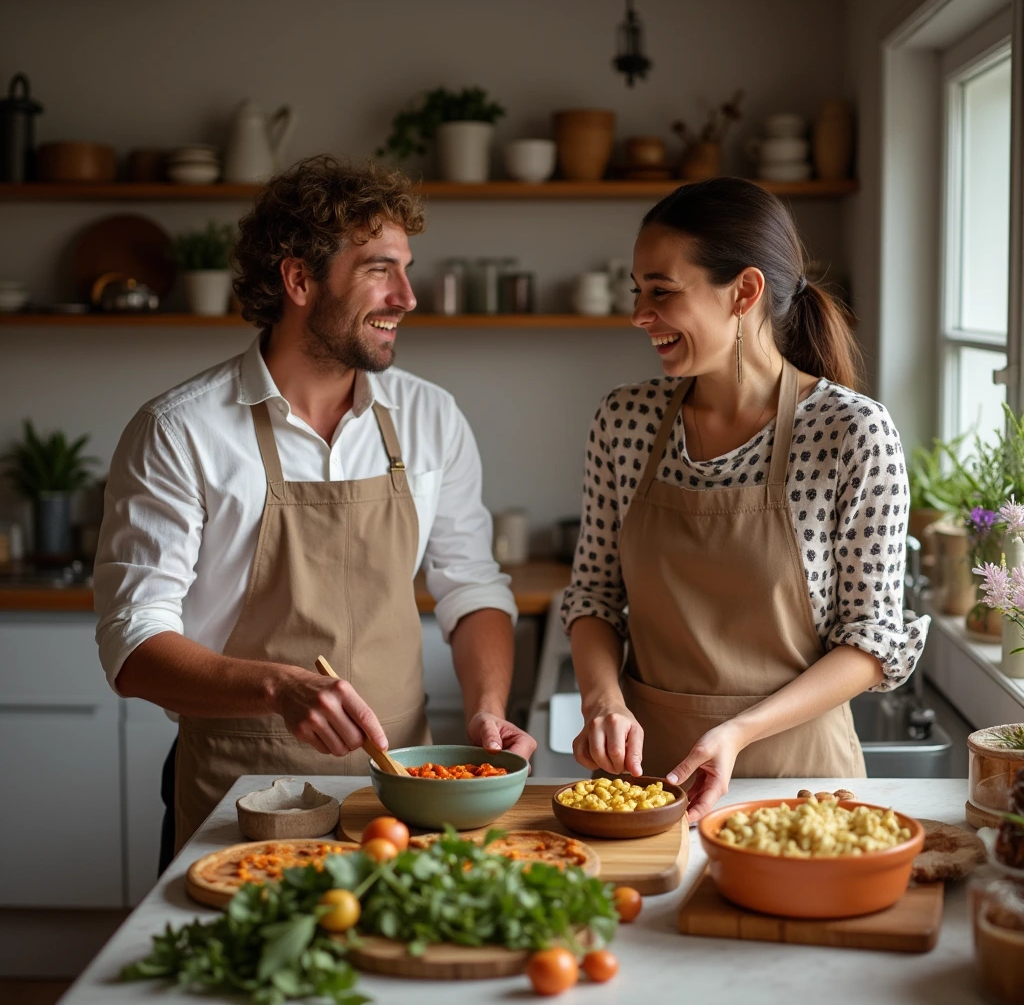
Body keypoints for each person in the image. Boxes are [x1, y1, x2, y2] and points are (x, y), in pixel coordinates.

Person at [94, 156, 536, 866]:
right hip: (238, 793)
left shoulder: (430, 418)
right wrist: (278, 686)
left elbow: (472, 586)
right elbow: (132, 645)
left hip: (398, 789)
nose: (408, 297)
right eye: (379, 270)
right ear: (299, 280)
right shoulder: (180, 430)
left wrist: (488, 707)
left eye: (406, 267)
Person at [562, 178, 929, 821]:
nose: (639, 315)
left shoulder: (851, 433)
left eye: (661, 291)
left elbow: (871, 642)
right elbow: (593, 596)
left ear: (745, 292)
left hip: (802, 788)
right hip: (649, 784)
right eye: (637, 291)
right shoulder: (625, 420)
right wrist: (602, 703)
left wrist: (736, 732)